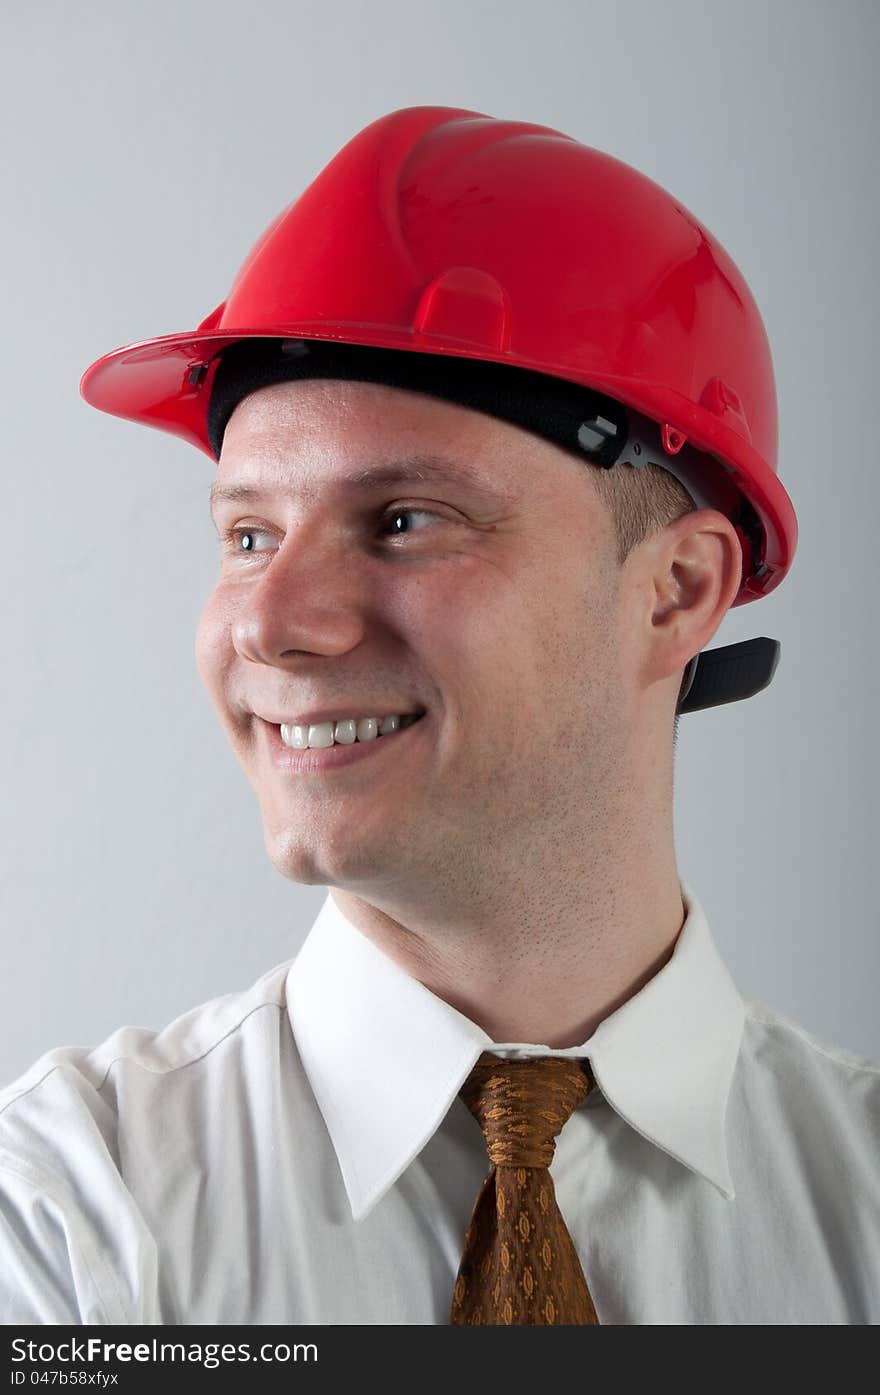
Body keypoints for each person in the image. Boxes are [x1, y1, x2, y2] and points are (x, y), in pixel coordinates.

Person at [1, 104, 878, 1327]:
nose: (271, 623)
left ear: (677, 593)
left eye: (406, 519)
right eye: (248, 535)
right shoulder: (64, 1216)